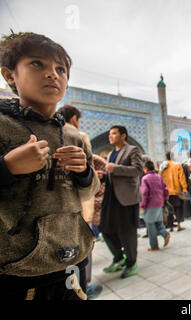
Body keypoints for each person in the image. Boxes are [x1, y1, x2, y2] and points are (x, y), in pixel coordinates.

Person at [0, 32, 100, 300]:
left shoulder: (73, 136)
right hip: (18, 271)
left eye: (60, 69)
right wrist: (6, 167)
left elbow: (90, 191)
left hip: (71, 262)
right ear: (10, 75)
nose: (51, 74)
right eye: (37, 64)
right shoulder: (3, 127)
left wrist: (84, 173)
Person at [58, 104, 103, 300]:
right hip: (79, 203)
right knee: (81, 247)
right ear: (75, 118)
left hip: (56, 207)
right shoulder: (77, 135)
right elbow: (89, 175)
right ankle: (83, 287)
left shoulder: (45, 131)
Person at [98, 125, 143, 279]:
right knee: (105, 228)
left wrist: (115, 168)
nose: (110, 136)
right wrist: (103, 176)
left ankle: (132, 263)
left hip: (126, 198)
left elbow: (137, 170)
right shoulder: (111, 153)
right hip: (111, 196)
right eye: (109, 133)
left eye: (114, 133)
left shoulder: (132, 150)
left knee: (127, 232)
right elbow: (111, 173)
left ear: (123, 135)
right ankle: (119, 257)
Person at [140, 159, 170, 251]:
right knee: (158, 223)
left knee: (150, 225)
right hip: (159, 203)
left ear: (145, 169)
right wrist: (165, 199)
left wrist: (142, 205)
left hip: (150, 205)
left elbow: (144, 193)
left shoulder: (145, 179)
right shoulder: (158, 177)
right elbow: (165, 189)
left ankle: (154, 246)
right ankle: (165, 234)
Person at [160, 151, 188, 232]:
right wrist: (184, 188)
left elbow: (160, 179)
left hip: (166, 192)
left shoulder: (162, 167)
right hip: (176, 191)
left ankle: (171, 227)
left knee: (169, 209)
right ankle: (179, 225)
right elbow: (181, 177)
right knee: (178, 208)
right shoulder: (177, 165)